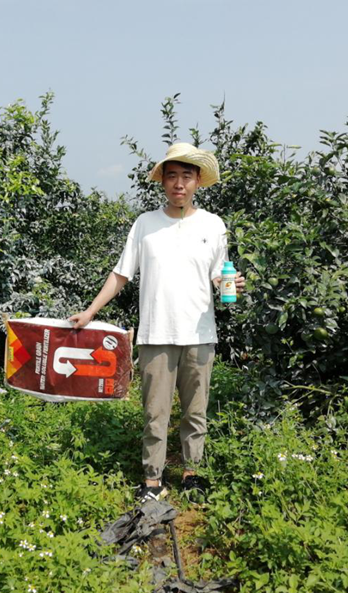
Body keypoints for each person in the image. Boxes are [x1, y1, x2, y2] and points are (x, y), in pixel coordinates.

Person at [68, 142, 244, 502]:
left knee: (196, 411)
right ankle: (153, 478)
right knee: (155, 412)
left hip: (199, 334)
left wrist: (231, 284)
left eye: (187, 176)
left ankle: (193, 473)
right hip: (156, 332)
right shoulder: (145, 224)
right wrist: (90, 312)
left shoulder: (214, 224)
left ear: (198, 182)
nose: (180, 184)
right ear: (163, 181)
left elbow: (217, 276)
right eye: (173, 176)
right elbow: (121, 275)